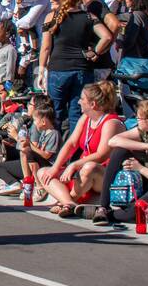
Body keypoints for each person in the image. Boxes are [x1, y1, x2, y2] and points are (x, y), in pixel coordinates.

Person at [37, 81, 122, 217]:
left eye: (82, 99)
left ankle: (66, 202)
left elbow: (102, 155)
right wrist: (55, 167)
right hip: (82, 170)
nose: (79, 102)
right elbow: (71, 143)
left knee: (89, 167)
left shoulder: (111, 122)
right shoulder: (86, 118)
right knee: (43, 172)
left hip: (103, 173)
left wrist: (74, 164)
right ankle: (69, 203)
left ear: (92, 104)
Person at [39, 0, 112, 132]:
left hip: (58, 68)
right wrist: (96, 52)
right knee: (77, 114)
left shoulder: (51, 17)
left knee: (56, 113)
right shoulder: (88, 17)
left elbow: (45, 47)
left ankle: (55, 150)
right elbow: (107, 37)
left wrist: (41, 70)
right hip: (82, 69)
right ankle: (76, 152)